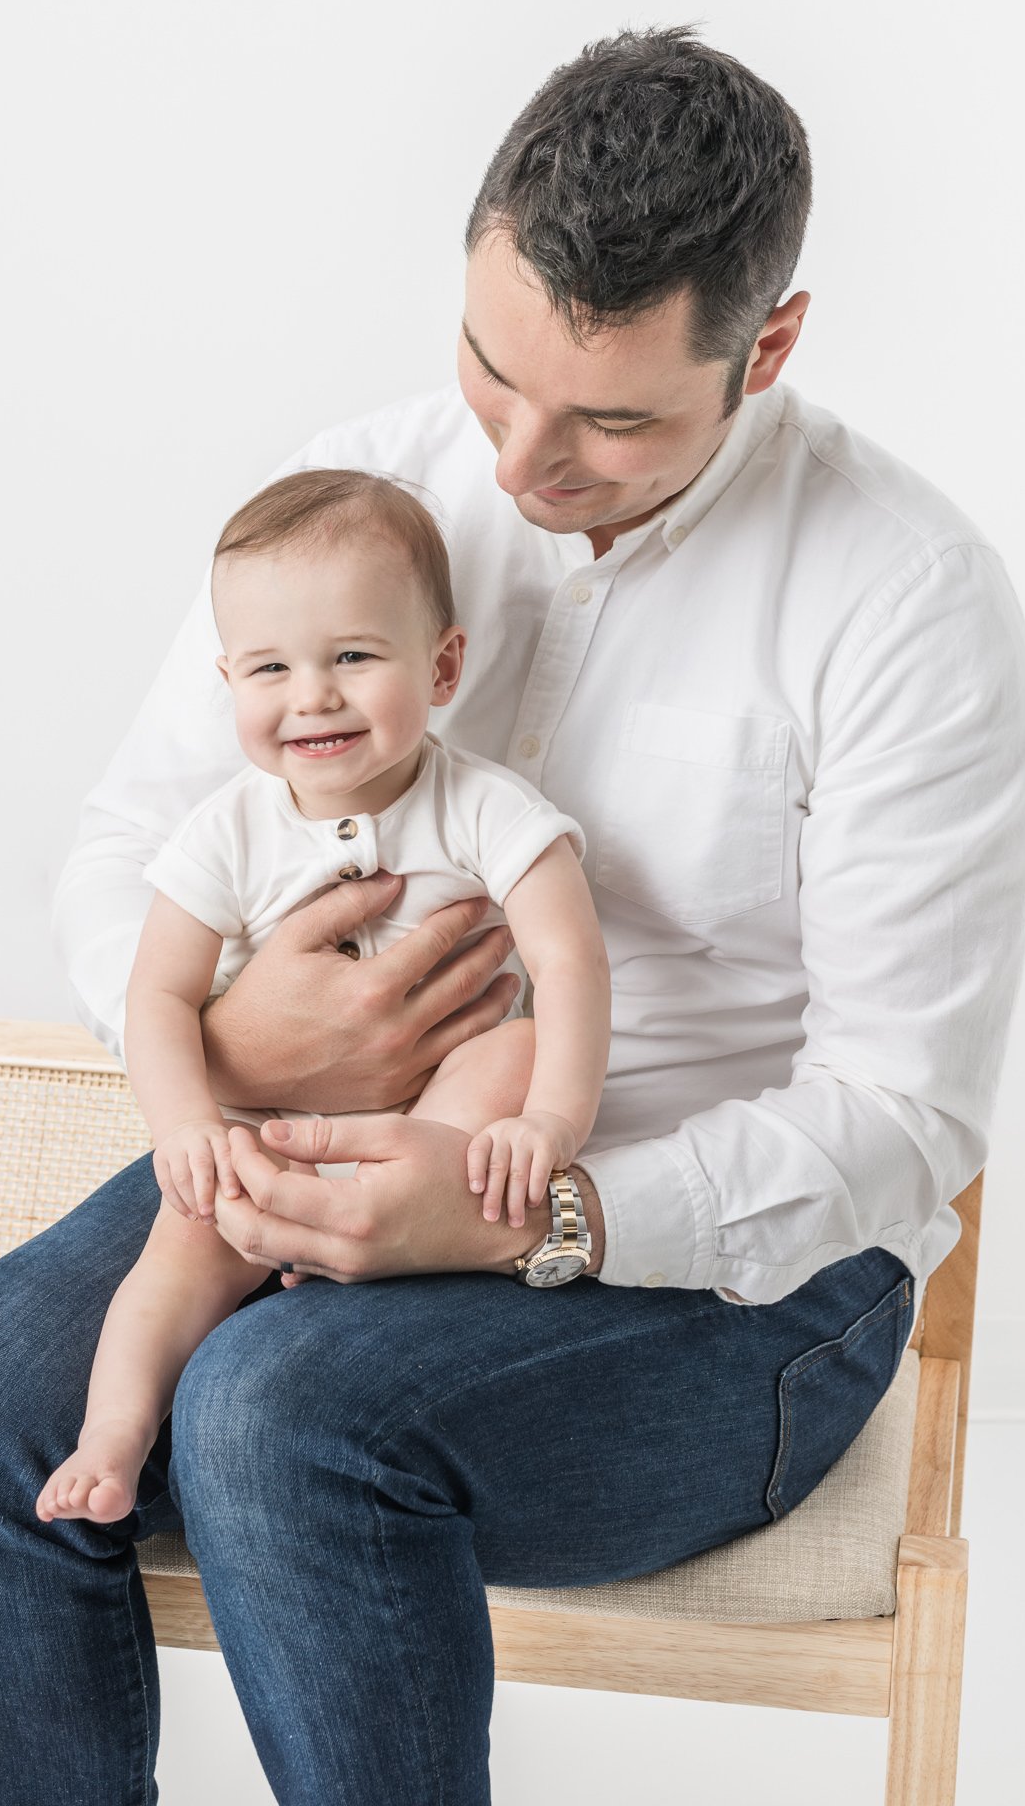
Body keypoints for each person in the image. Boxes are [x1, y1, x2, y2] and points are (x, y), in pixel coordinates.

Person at [0, 24, 1025, 1806]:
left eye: (613, 417)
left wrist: (545, 1210)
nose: (518, 461)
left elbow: (902, 1120)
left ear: (774, 343)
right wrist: (223, 1039)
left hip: (731, 1281)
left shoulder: (906, 602)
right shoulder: (367, 487)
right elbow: (130, 843)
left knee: (283, 1412)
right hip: (315, 1122)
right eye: (492, 371)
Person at [35, 467, 610, 1527]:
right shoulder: (226, 829)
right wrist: (189, 1127)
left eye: (352, 655)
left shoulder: (485, 808)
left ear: (441, 666)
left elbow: (572, 963)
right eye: (270, 667)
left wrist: (551, 1119)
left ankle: (406, 1221)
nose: (313, 694)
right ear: (227, 681)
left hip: (442, 1112)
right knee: (176, 1260)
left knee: (510, 1048)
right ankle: (112, 1440)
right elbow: (156, 991)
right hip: (273, 1128)